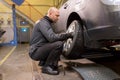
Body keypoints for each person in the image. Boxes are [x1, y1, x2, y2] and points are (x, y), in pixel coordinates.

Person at [29, 7, 73, 75]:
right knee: (58, 44)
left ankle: (45, 63)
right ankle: (47, 67)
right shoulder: (43, 23)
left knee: (57, 43)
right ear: (50, 13)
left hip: (38, 49)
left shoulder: (46, 22)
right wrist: (67, 35)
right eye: (56, 15)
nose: (58, 18)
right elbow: (51, 38)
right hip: (35, 51)